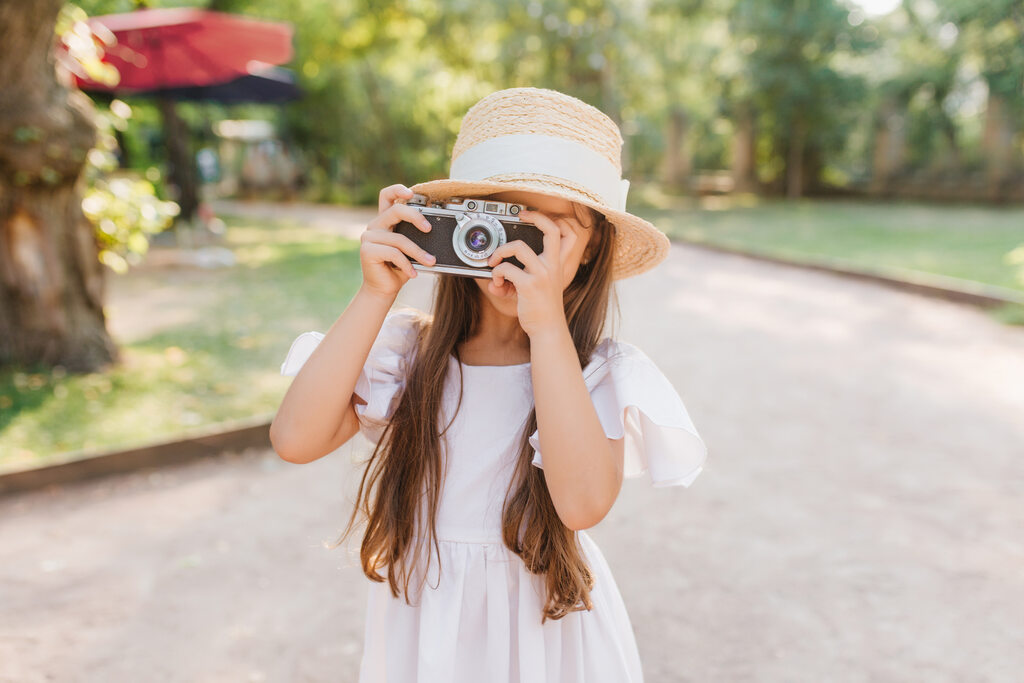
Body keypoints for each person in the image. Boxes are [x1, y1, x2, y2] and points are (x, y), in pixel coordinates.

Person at [271, 87, 708, 682]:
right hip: (425, 622)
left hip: (546, 635)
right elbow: (296, 439)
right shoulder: (409, 356)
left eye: (547, 230)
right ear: (460, 225)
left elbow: (581, 506)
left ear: (590, 251)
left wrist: (547, 325)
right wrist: (377, 290)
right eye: (498, 220)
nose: (512, 250)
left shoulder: (597, 373)